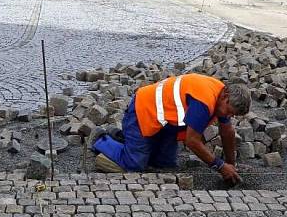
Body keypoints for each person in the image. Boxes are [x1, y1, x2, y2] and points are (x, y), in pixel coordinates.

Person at [92, 73, 251, 184]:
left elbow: (227, 131)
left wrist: (232, 164)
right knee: (135, 165)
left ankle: (123, 138)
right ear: (225, 97)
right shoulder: (204, 102)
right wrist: (220, 166)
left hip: (166, 124)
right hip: (143, 111)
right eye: (229, 112)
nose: (229, 116)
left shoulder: (223, 97)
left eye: (233, 115)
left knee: (165, 163)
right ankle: (102, 140)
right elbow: (192, 141)